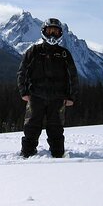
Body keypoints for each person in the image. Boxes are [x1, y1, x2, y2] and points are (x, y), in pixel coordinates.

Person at [17, 18, 79, 158]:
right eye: (50, 31)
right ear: (44, 32)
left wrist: (71, 96)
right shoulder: (34, 51)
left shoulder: (64, 54)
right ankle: (27, 153)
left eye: (55, 31)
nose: (52, 34)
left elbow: (73, 76)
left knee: (56, 128)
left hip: (58, 98)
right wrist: (23, 91)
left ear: (60, 34)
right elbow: (22, 72)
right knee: (31, 127)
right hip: (35, 96)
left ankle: (58, 155)